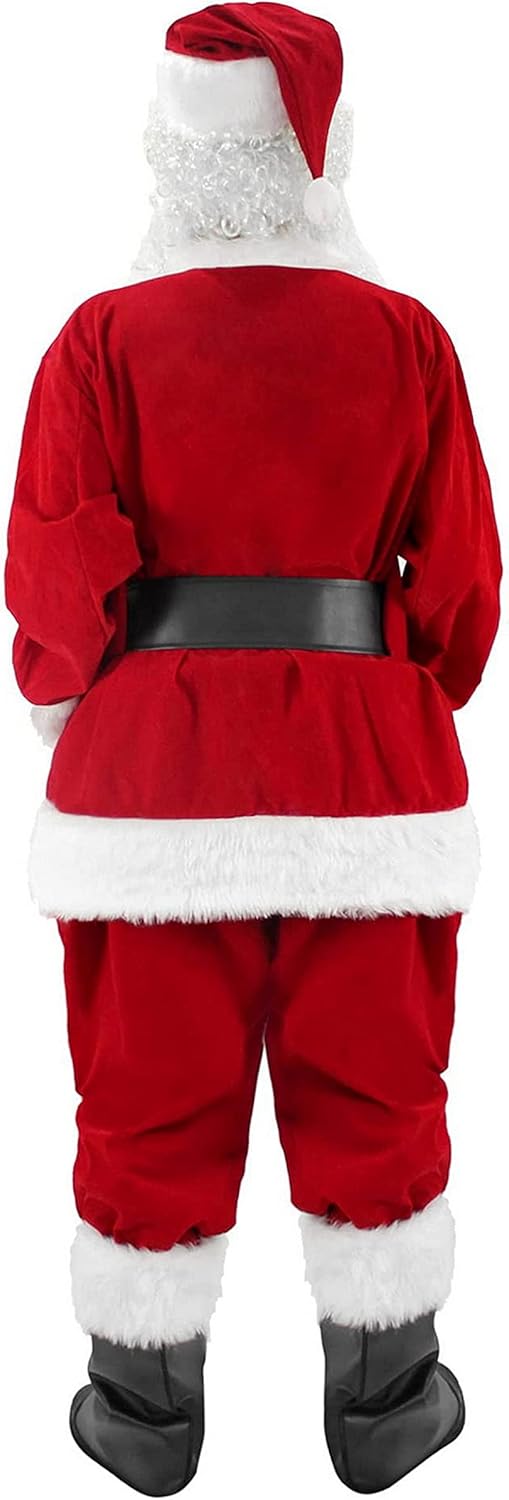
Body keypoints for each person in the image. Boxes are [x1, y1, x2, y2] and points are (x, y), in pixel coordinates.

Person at [5, 4, 502, 1494]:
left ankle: (143, 1421)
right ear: (319, 161)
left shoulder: (99, 340)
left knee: (147, 1090)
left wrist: (74, 701)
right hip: (367, 780)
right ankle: (386, 1408)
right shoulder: (406, 338)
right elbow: (463, 591)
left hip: (149, 788)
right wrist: (393, 699)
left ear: (174, 158)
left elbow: (52, 583)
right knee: (378, 1086)